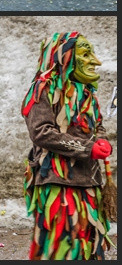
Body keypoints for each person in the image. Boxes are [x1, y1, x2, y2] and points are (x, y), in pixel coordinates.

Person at [22, 31, 113, 259]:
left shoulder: (87, 93)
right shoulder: (43, 88)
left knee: (89, 247)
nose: (96, 61)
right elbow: (41, 132)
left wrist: (101, 140)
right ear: (65, 57)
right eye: (85, 54)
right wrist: (87, 148)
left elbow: (97, 126)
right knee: (61, 248)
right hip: (58, 185)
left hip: (89, 183)